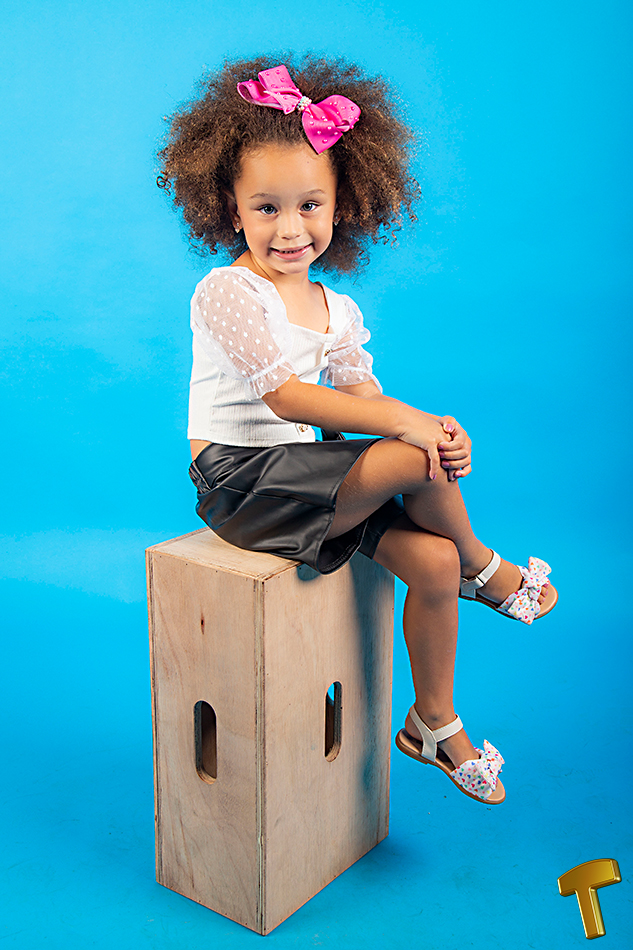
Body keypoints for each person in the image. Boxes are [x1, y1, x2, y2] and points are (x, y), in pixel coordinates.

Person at [157, 55, 557, 805]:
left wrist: (435, 431)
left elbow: (362, 397)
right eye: (266, 208)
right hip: (242, 484)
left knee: (429, 559)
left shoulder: (336, 310)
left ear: (342, 206)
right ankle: (484, 570)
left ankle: (433, 723)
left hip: (310, 483)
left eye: (309, 205)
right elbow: (289, 400)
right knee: (410, 453)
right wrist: (410, 429)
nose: (290, 228)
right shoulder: (227, 291)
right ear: (231, 210)